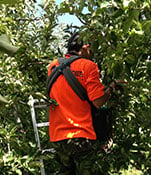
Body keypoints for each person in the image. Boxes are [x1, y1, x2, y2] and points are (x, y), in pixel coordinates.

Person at [47, 32, 117, 175]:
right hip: (80, 135)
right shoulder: (88, 66)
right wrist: (110, 89)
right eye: (91, 48)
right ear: (85, 46)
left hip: (57, 137)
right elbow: (98, 101)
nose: (92, 52)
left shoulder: (53, 66)